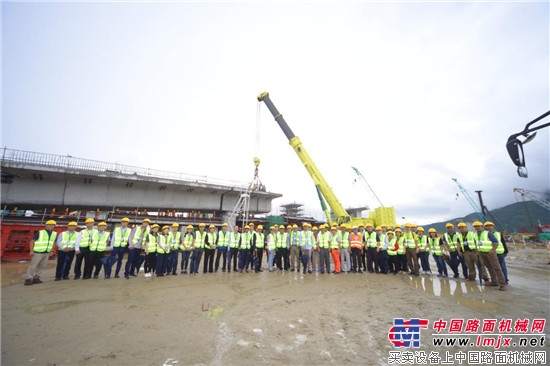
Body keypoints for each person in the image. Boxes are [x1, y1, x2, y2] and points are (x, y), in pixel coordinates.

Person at [472, 221, 506, 291]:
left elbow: (495, 242)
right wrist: (477, 250)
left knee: (496, 268)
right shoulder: (475, 235)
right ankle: (494, 282)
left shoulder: (488, 233)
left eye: (479, 226)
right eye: (476, 226)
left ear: (482, 226)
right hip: (482, 253)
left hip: (490, 253)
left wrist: (492, 251)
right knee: (489, 267)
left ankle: (502, 284)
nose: (477, 227)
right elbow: (476, 243)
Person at [24, 220, 58, 285]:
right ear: (45, 225)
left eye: (52, 225)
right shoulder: (40, 232)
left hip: (47, 252)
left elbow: (54, 243)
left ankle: (36, 277)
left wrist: (52, 250)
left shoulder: (54, 234)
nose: (50, 226)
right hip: (38, 252)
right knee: (33, 265)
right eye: (49, 225)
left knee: (42, 266)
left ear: (54, 226)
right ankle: (28, 279)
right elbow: (32, 241)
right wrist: (31, 250)